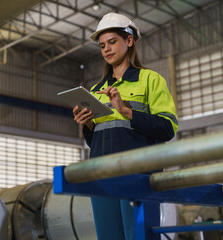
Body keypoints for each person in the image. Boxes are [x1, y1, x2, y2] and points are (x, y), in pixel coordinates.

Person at [72, 13, 178, 240]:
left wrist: (127, 111)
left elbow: (167, 128)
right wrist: (88, 124)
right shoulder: (95, 91)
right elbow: (97, 138)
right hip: (101, 177)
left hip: (138, 176)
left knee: (139, 236)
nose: (106, 50)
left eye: (112, 42)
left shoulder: (150, 80)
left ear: (129, 41)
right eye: (102, 46)